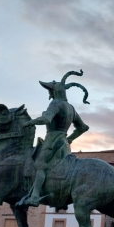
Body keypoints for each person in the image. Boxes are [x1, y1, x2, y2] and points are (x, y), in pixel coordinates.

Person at [18, 70, 90, 207]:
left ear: (55, 91)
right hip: (64, 143)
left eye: (49, 90)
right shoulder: (71, 108)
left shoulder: (56, 104)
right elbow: (83, 127)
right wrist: (69, 139)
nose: (49, 93)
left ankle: (34, 196)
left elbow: (46, 119)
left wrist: (29, 123)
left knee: (40, 165)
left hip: (52, 140)